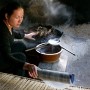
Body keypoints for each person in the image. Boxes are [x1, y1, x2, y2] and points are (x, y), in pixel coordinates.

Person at [0, 1, 38, 78]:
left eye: (22, 17)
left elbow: (13, 33)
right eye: (17, 17)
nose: (20, 20)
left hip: (2, 52)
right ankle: (21, 79)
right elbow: (6, 57)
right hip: (1, 60)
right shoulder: (2, 31)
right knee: (21, 57)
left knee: (21, 45)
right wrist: (26, 65)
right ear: (7, 16)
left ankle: (26, 69)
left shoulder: (7, 24)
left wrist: (26, 35)